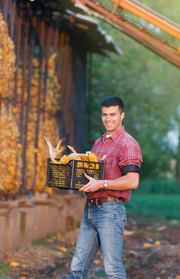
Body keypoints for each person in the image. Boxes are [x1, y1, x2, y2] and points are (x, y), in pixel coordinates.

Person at [68, 96, 143, 279]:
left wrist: (102, 184)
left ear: (122, 115)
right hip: (90, 210)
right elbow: (90, 174)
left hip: (111, 211)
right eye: (104, 115)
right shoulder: (98, 143)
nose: (108, 119)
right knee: (77, 268)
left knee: (113, 270)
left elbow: (133, 181)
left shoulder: (128, 143)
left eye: (112, 114)